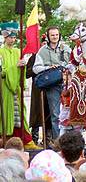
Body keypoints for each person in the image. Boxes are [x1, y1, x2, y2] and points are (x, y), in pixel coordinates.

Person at [0, 22, 42, 150]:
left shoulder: (18, 51)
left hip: (16, 88)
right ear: (5, 37)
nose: (12, 40)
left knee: (20, 113)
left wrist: (22, 67)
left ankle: (26, 140)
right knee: (6, 113)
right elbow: (2, 72)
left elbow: (21, 72)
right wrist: (16, 66)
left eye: (14, 37)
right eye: (10, 37)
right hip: (5, 88)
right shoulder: (1, 52)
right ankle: (6, 139)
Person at [33, 26, 71, 140]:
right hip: (52, 86)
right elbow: (36, 68)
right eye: (52, 35)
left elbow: (74, 64)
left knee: (69, 114)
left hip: (67, 86)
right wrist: (48, 68)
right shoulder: (42, 51)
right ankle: (58, 142)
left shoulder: (67, 49)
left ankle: (70, 141)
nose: (55, 37)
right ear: (48, 37)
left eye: (56, 35)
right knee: (55, 115)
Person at [26, 34, 52, 147]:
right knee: (36, 115)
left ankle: (47, 140)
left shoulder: (52, 55)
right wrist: (37, 69)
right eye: (43, 43)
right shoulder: (34, 57)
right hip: (37, 90)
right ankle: (34, 139)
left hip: (50, 89)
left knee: (49, 114)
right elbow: (27, 73)